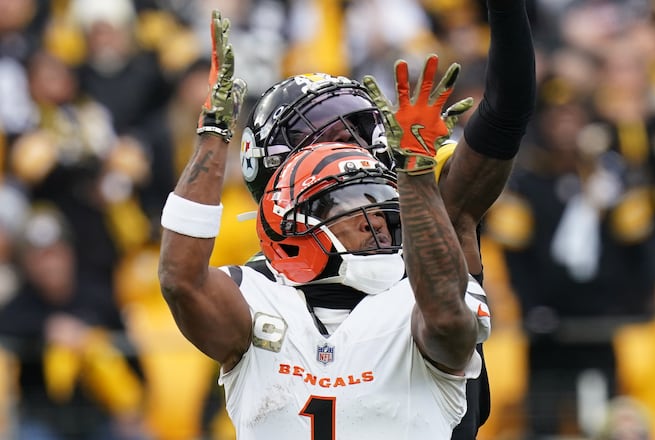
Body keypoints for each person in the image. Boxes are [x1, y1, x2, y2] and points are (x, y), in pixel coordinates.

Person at [158, 10, 491, 439]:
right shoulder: (259, 296)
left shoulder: (415, 296)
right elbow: (179, 280)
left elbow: (447, 318)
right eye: (353, 201)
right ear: (294, 222)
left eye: (381, 200)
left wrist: (415, 175)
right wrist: (214, 129)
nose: (377, 219)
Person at [238, 0, 536, 436]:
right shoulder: (264, 279)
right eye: (337, 134)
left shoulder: (424, 188)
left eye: (361, 127)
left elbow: (506, 116)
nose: (361, 143)